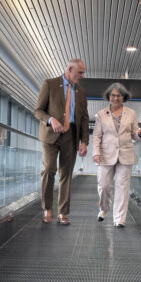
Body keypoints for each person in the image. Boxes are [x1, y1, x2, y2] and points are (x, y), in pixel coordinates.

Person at [34, 59, 89, 225]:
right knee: (49, 169)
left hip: (71, 135)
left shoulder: (81, 92)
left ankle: (63, 213)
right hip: (51, 134)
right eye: (80, 72)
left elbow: (84, 119)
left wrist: (84, 141)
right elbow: (38, 111)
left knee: (66, 174)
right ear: (69, 69)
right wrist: (51, 119)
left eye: (83, 73)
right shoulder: (50, 84)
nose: (82, 76)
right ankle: (47, 208)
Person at [92, 83, 141, 228]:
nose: (115, 98)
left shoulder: (131, 113)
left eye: (119, 95)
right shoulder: (101, 114)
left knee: (122, 187)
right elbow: (97, 136)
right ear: (108, 96)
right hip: (105, 154)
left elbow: (134, 134)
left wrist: (139, 133)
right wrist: (96, 153)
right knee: (104, 185)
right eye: (113, 95)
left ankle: (119, 219)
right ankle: (104, 208)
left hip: (125, 154)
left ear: (124, 97)